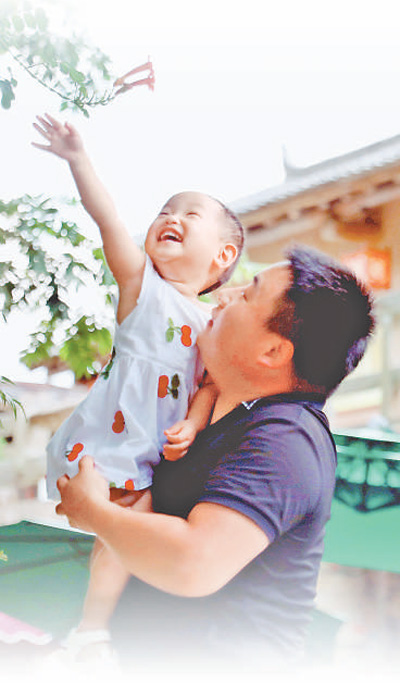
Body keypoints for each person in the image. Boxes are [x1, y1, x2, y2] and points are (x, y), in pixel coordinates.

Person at [55, 245, 375, 671]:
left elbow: (195, 563)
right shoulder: (211, 414)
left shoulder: (286, 438)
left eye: (247, 293)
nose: (224, 295)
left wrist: (93, 511)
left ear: (273, 352)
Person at [32, 113, 244, 660]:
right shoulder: (141, 284)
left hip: (149, 449)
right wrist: (78, 159)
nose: (171, 217)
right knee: (127, 525)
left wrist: (193, 423)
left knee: (126, 532)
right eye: (165, 211)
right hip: (108, 440)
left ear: (222, 256)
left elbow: (209, 386)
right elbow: (106, 218)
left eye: (190, 214)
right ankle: (93, 629)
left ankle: (92, 629)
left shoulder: (213, 324)